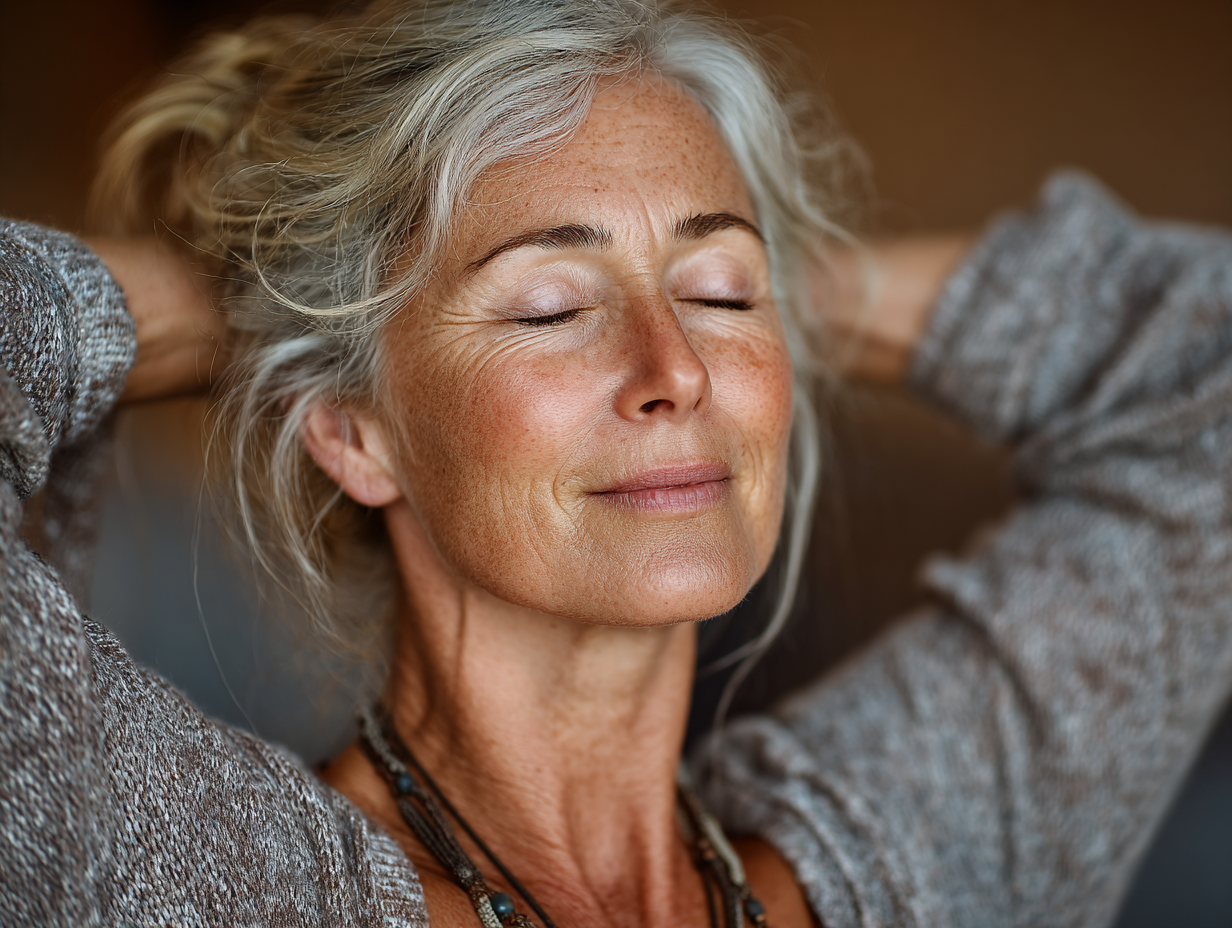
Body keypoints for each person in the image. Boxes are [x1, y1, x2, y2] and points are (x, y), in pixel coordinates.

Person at [3, 1, 1231, 926]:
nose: (675, 366)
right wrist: (253, 313)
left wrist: (786, 286)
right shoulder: (187, 874)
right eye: (547, 306)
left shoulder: (930, 847)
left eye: (716, 290)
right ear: (353, 432)